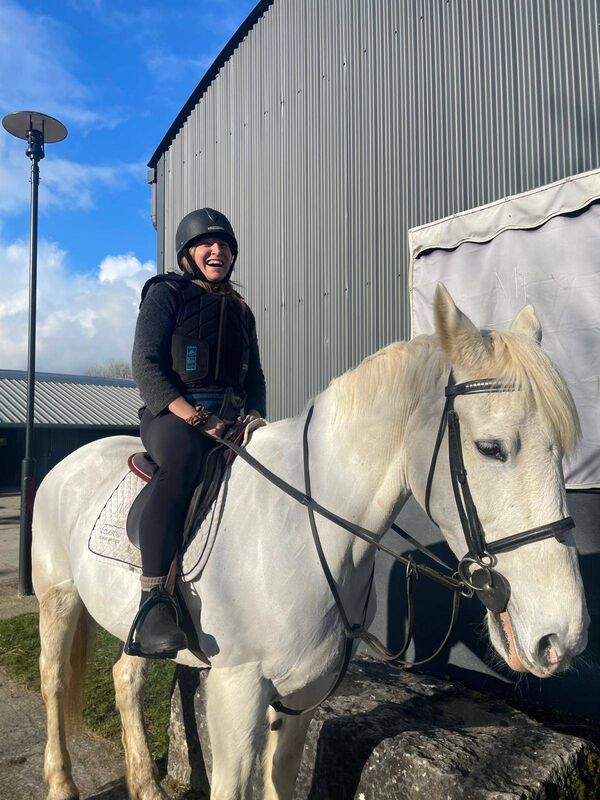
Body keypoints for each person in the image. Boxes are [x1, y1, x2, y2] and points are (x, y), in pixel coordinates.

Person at [129, 208, 266, 658]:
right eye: (206, 243)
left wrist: (255, 414)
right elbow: (145, 364)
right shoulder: (165, 293)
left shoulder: (241, 310)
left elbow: (255, 376)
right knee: (183, 459)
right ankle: (154, 602)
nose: (217, 250)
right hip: (171, 415)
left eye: (224, 244)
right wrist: (193, 416)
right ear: (188, 253)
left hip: (230, 420)